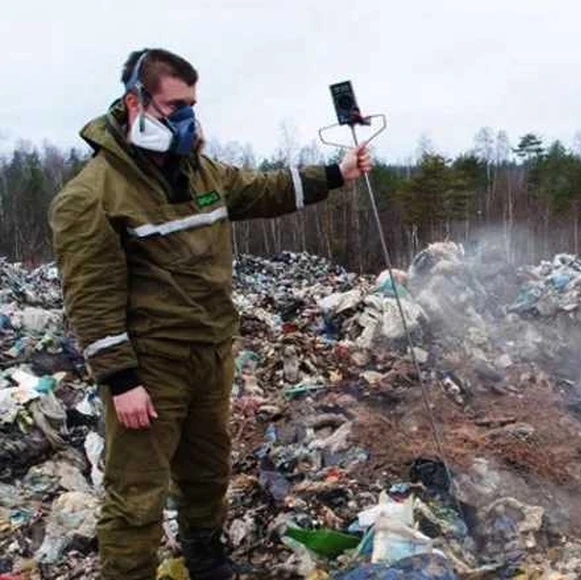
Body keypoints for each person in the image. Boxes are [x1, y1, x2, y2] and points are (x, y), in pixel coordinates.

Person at [48, 48, 372, 580]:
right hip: (151, 368)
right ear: (135, 102)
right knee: (136, 495)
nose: (187, 119)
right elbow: (92, 297)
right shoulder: (92, 195)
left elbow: (263, 190)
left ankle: (206, 557)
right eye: (175, 106)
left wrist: (335, 174)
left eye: (192, 105)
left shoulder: (199, 171)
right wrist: (121, 379)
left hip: (210, 353)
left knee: (205, 472)